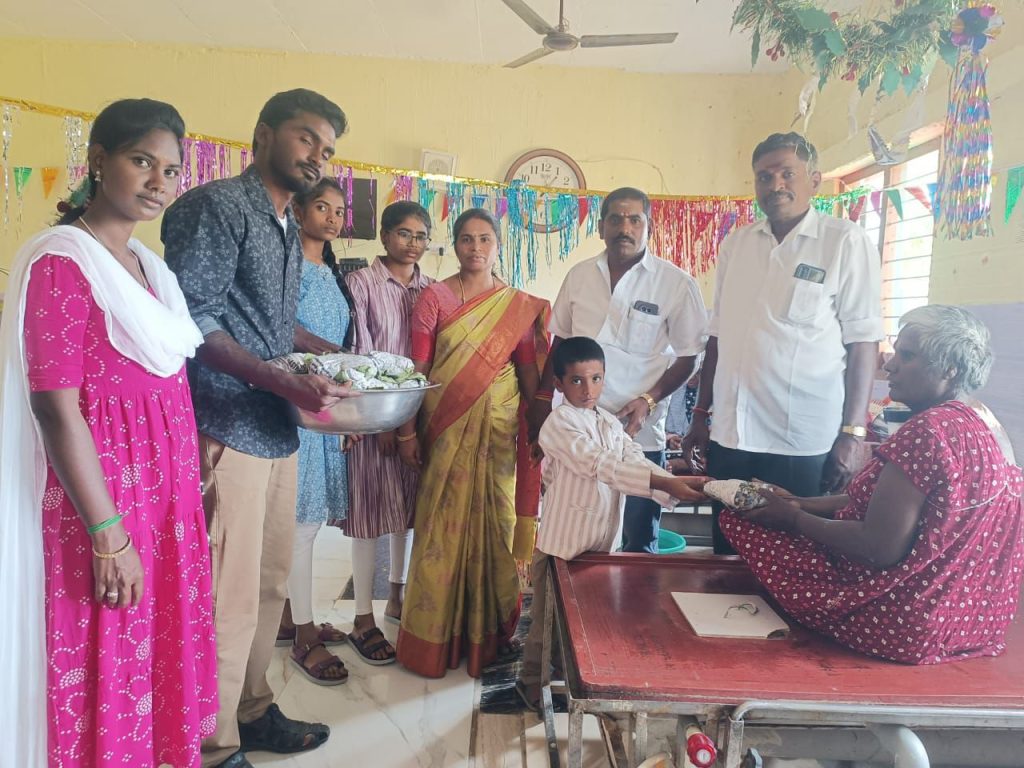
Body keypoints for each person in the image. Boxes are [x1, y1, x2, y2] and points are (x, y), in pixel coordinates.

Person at [0, 99, 216, 767]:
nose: (158, 181)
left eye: (171, 170)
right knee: (108, 648)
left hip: (162, 501)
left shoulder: (150, 267)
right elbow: (55, 409)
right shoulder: (63, 261)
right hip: (102, 507)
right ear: (98, 161)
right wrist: (107, 534)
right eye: (142, 160)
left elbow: (163, 382)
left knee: (150, 648)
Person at [162, 89, 352, 768]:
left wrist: (335, 356)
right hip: (225, 423)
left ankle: (251, 710)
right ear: (264, 134)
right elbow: (194, 318)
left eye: (327, 149)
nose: (317, 156)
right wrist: (278, 379)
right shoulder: (216, 207)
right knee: (227, 595)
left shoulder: (285, 224)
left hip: (275, 425)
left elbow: (271, 323)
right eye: (306, 138)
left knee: (270, 584)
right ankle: (211, 744)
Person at [722, 306, 1024, 664]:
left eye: (907, 356)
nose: (890, 365)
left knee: (740, 520)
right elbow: (883, 504)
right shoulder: (987, 423)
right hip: (972, 622)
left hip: (904, 624)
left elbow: (880, 548)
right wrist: (799, 502)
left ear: (950, 369)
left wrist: (792, 519)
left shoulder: (928, 431)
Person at [681, 132, 882, 554]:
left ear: (815, 180)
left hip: (802, 440)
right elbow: (718, 335)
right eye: (764, 177)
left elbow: (863, 342)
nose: (775, 185)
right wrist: (700, 415)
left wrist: (853, 433)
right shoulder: (736, 245)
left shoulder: (844, 242)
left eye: (787, 174)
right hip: (731, 436)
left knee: (797, 557)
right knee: (728, 551)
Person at [396, 208, 549, 678]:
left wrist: (540, 428)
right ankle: (434, 639)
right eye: (466, 239)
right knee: (439, 527)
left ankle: (490, 636)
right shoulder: (434, 297)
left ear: (498, 245)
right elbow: (419, 369)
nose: (476, 248)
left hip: (500, 433)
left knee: (497, 525)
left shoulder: (515, 304)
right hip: (445, 425)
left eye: (485, 239)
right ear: (455, 244)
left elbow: (528, 373)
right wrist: (405, 430)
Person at [516, 337, 709, 709]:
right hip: (561, 547)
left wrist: (678, 482)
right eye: (576, 380)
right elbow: (599, 466)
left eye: (596, 379)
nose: (588, 389)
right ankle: (532, 684)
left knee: (581, 622)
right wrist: (665, 484)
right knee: (545, 624)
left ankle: (566, 677)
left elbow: (633, 459)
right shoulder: (558, 425)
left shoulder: (607, 422)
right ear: (558, 383)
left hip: (601, 546)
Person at [528, 186, 707, 553]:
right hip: (577, 429)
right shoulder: (579, 276)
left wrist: (648, 400)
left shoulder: (676, 284)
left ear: (649, 226)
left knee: (638, 542)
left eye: (634, 220)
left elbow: (690, 357)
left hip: (636, 433)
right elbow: (560, 343)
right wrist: (543, 400)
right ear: (600, 227)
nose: (624, 228)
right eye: (615, 219)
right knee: (574, 531)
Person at [338, 201, 434, 666]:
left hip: (416, 419)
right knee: (369, 515)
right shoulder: (361, 284)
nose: (412, 243)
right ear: (384, 236)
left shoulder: (431, 290)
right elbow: (357, 352)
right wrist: (374, 420)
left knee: (407, 512)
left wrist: (409, 425)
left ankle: (398, 596)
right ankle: (362, 616)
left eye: (421, 235)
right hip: (373, 415)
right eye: (403, 233)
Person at [274, 177, 352, 686]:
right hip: (294, 406)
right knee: (300, 526)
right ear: (298, 211)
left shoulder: (332, 272)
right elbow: (277, 327)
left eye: (339, 211)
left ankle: (289, 617)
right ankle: (304, 635)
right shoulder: (287, 266)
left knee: (312, 522)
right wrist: (323, 350)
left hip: (325, 411)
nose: (332, 217)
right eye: (322, 207)